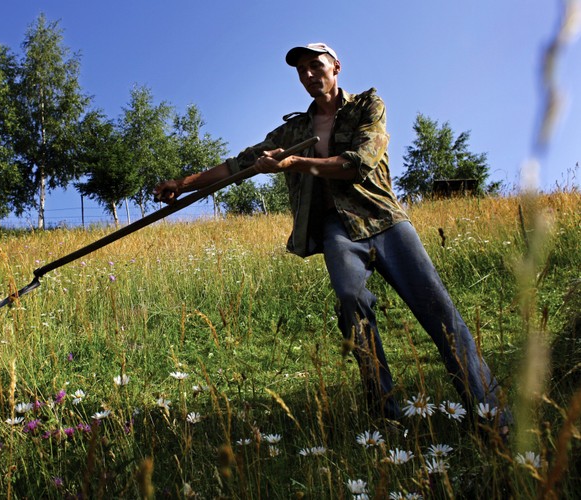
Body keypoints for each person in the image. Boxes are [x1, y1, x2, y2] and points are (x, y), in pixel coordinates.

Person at [154, 42, 510, 438]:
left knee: (439, 313)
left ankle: (490, 416)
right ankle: (386, 419)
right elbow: (236, 165)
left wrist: (296, 163)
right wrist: (182, 185)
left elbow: (359, 164)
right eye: (301, 69)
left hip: (385, 221)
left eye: (315, 65)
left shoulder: (367, 107)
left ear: (336, 66)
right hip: (336, 229)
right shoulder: (293, 130)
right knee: (350, 303)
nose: (309, 74)